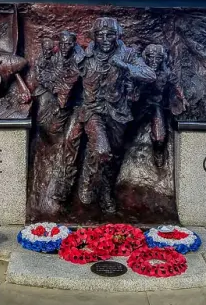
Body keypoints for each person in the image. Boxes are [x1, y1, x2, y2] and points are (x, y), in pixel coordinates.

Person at [54, 17, 156, 214]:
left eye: (110, 34)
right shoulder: (85, 56)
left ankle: (106, 191)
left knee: (112, 155)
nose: (105, 38)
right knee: (101, 148)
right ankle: (87, 183)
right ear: (94, 36)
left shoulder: (127, 55)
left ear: (117, 36)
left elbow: (150, 75)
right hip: (92, 112)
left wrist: (125, 67)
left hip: (119, 115)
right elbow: (66, 80)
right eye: (100, 35)